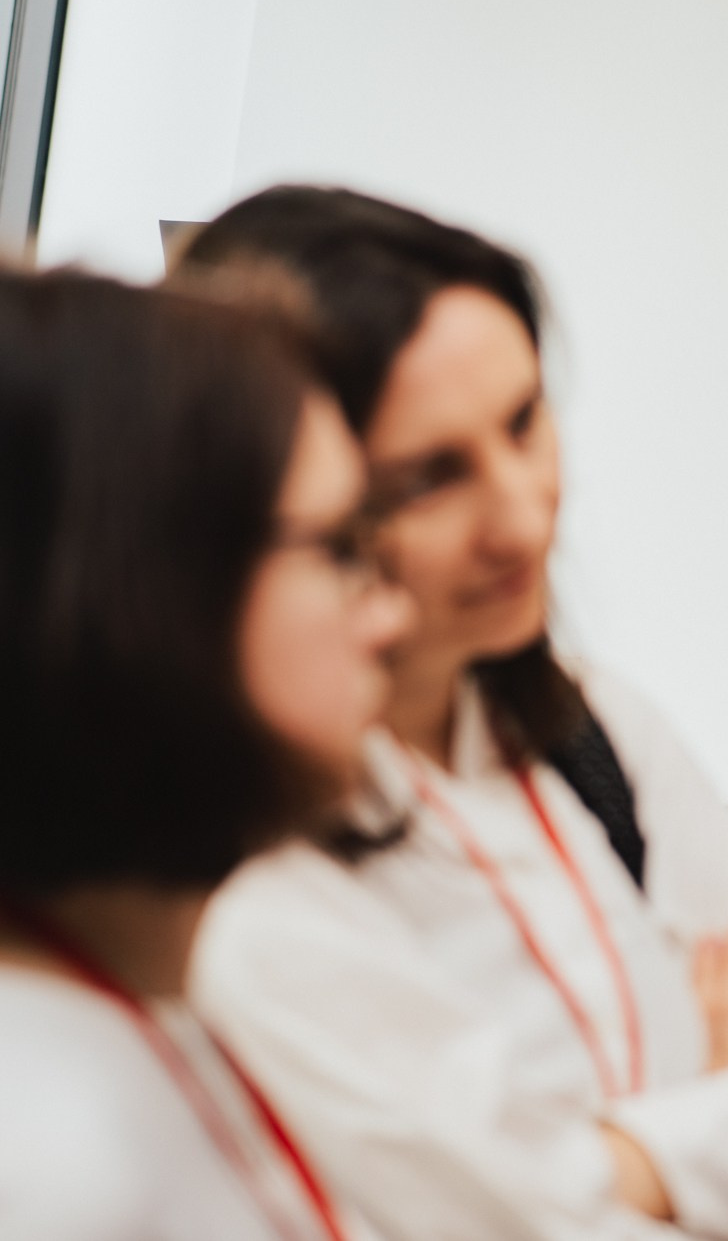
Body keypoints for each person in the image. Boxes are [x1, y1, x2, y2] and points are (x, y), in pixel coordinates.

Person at [171, 186, 728, 1241]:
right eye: (429, 477)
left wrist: (626, 1155)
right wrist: (723, 1090)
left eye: (522, 421)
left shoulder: (588, 732)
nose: (521, 514)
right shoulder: (240, 878)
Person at [0, 272, 410, 1238]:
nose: (392, 614)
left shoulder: (138, 991)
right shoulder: (54, 1160)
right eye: (339, 549)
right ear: (149, 589)